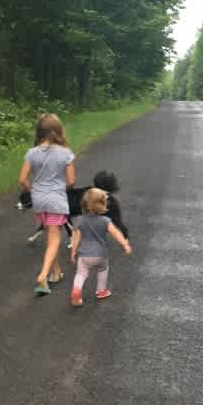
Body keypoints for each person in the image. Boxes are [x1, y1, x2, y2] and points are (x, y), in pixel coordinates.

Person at [19, 113, 75, 296]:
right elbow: (71, 181)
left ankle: (56, 273)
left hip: (39, 200)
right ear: (57, 131)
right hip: (56, 199)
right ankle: (43, 276)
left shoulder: (31, 152)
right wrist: (59, 188)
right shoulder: (65, 153)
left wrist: (33, 188)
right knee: (55, 238)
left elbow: (22, 179)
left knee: (51, 235)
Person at [69, 187, 132, 307]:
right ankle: (101, 290)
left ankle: (77, 289)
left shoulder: (80, 221)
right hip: (101, 255)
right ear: (103, 204)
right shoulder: (106, 220)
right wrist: (125, 244)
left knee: (81, 274)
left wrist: (73, 251)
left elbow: (76, 237)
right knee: (103, 270)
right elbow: (116, 233)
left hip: (84, 255)